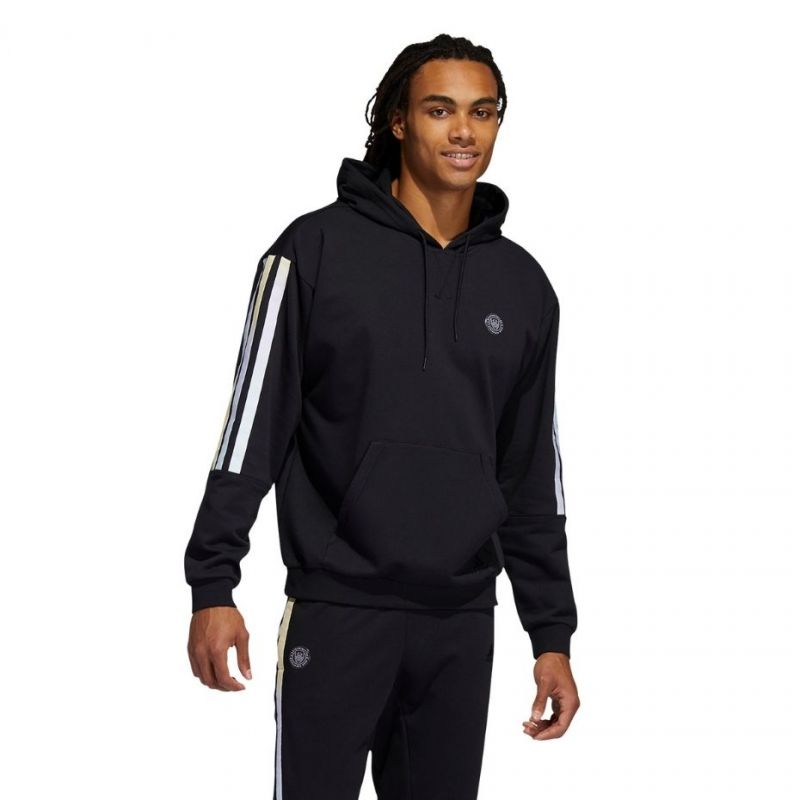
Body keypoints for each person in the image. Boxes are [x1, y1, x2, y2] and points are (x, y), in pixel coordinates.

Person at [185, 33, 580, 800]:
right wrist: (213, 585)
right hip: (339, 608)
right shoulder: (312, 251)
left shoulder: (524, 286)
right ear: (398, 121)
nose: (464, 131)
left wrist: (551, 635)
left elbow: (530, 473)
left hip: (460, 621)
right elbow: (251, 429)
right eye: (440, 110)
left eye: (483, 112)